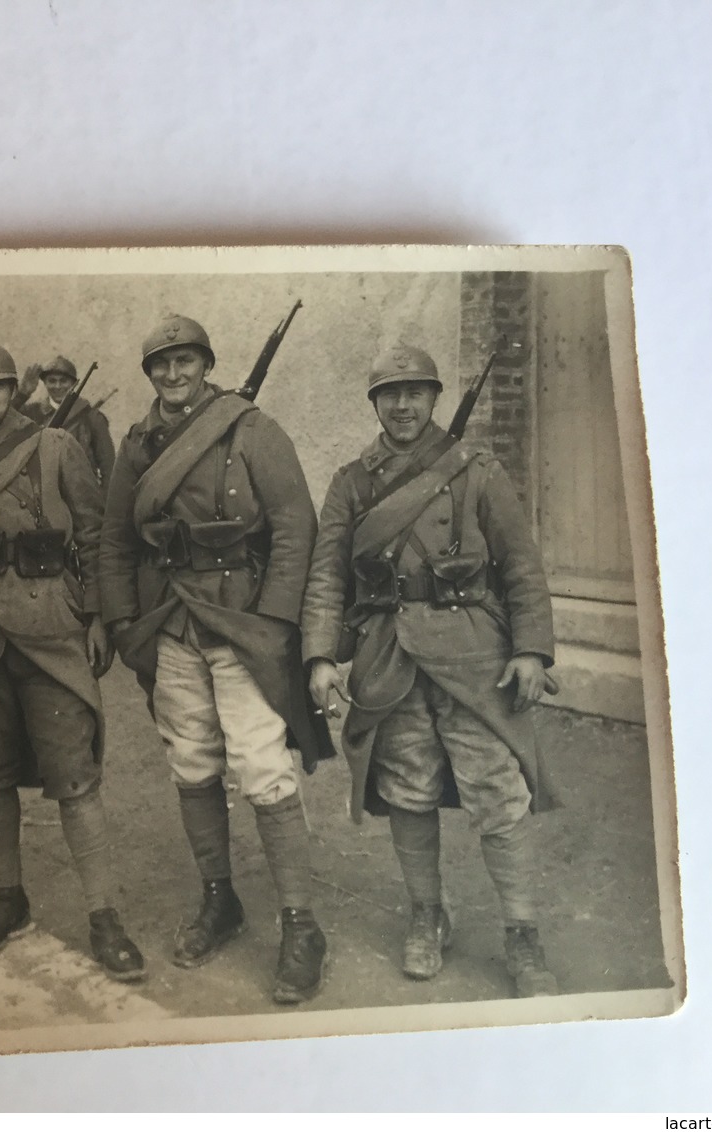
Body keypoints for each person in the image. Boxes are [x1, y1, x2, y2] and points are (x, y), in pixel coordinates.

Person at [300, 343, 560, 997]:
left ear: (435, 396)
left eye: (416, 391)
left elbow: (521, 565)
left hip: (475, 657)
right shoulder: (352, 480)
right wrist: (321, 655)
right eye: (390, 393)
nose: (404, 404)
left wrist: (530, 649)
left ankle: (522, 934)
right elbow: (328, 575)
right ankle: (428, 913)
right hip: (390, 656)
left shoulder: (476, 470)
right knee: (408, 787)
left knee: (498, 792)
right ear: (375, 403)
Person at [100, 314, 335, 1005]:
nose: (173, 375)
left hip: (241, 622)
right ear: (151, 374)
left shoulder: (254, 430)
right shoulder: (137, 444)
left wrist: (274, 621)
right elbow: (115, 541)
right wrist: (121, 622)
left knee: (263, 769)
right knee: (193, 762)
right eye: (160, 365)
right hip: (172, 621)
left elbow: (296, 528)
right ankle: (219, 899)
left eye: (185, 361)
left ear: (206, 365)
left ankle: (300, 924)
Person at [0, 336, 146, 982]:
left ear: (15, 390)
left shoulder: (57, 446)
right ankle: (8, 897)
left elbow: (94, 536)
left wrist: (95, 615)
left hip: (52, 631)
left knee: (74, 774)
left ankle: (104, 915)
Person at [19, 356, 117, 485]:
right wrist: (22, 394)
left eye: (63, 381)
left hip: (82, 492)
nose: (57, 386)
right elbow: (3, 423)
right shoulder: (32, 413)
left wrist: (103, 502)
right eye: (52, 381)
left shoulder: (92, 417)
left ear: (73, 383)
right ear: (45, 383)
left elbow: (108, 465)